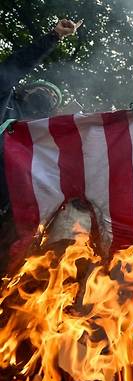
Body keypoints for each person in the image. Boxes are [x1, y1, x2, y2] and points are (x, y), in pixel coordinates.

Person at [0, 19, 79, 272]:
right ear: (26, 90)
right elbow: (14, 67)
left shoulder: (43, 140)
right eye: (43, 89)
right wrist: (54, 36)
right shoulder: (6, 102)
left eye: (54, 98)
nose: (48, 96)